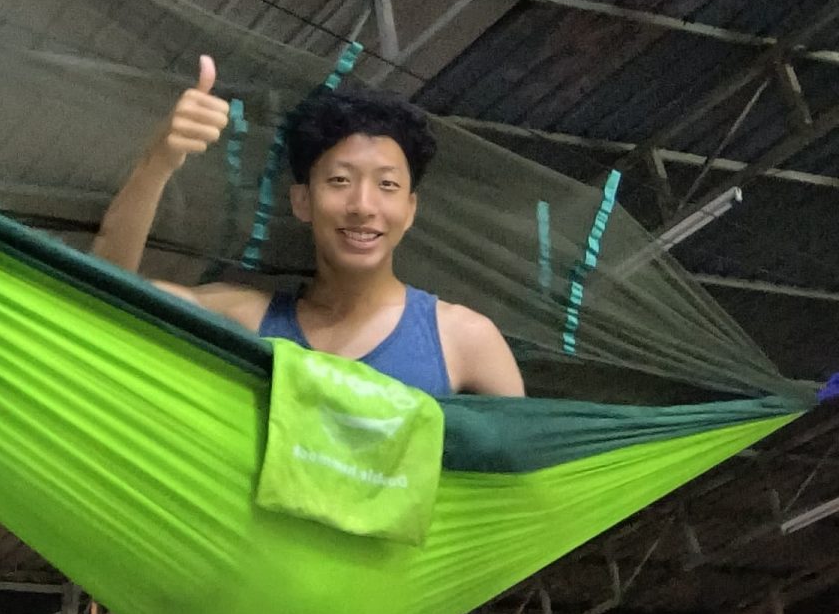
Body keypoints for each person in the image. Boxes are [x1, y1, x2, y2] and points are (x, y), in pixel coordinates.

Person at [93, 57, 524, 399]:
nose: (362, 205)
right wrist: (157, 162)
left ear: (410, 210)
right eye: (340, 181)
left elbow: (531, 488)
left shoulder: (464, 340)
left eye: (387, 185)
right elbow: (99, 298)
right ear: (302, 201)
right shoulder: (247, 321)